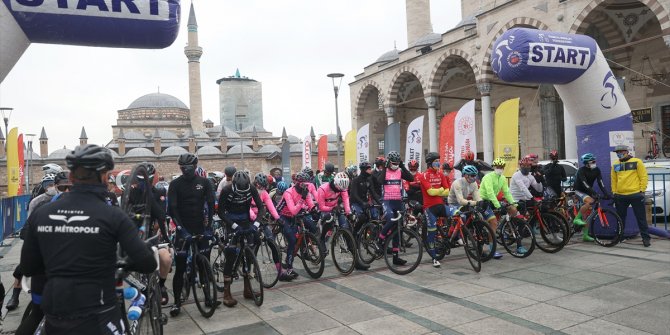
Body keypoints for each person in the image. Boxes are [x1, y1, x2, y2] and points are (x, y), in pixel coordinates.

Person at [20, 144, 156, 335]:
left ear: (72, 177)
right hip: (99, 315)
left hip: (56, 314)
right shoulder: (113, 215)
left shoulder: (42, 213)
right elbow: (147, 264)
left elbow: (28, 267)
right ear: (105, 176)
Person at [168, 153, 216, 316]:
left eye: (189, 167)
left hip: (200, 228)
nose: (186, 170)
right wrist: (181, 229)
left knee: (204, 265)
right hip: (183, 229)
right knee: (180, 268)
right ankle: (176, 303)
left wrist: (209, 227)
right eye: (183, 168)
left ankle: (208, 296)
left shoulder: (205, 182)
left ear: (195, 167)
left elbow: (210, 205)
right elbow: (172, 210)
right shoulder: (175, 184)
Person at [218, 171, 265, 306]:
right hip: (230, 221)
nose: (243, 194)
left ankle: (247, 289)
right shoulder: (226, 190)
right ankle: (226, 293)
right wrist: (232, 225)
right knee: (231, 254)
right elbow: (220, 212)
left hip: (245, 220)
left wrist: (256, 224)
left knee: (254, 243)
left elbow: (261, 208)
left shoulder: (251, 188)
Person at [127, 162, 172, 305]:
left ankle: (161, 285)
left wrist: (165, 237)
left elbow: (160, 215)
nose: (143, 183)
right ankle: (139, 288)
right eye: (141, 180)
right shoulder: (130, 192)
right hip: (133, 236)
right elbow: (124, 215)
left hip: (151, 235)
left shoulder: (158, 192)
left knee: (165, 258)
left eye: (146, 180)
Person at [448, 164, 501, 259]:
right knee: (462, 217)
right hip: (454, 204)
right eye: (472, 175)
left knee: (477, 219)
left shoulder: (474, 183)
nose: (474, 177)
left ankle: (478, 247)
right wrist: (476, 202)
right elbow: (460, 201)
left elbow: (477, 197)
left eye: (475, 175)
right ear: (466, 175)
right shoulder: (457, 183)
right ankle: (457, 235)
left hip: (466, 203)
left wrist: (481, 203)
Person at [276, 172, 318, 281]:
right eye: (304, 184)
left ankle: (304, 248)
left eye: (308, 184)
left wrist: (314, 210)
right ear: (298, 183)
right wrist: (302, 199)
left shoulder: (306, 191)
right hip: (284, 216)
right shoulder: (288, 192)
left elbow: (310, 204)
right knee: (292, 240)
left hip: (297, 214)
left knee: (312, 227)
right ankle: (289, 267)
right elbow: (293, 211)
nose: (307, 186)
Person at [376, 151, 414, 265]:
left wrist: (402, 166)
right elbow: (379, 181)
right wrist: (385, 167)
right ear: (389, 162)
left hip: (398, 201)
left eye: (397, 163)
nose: (395, 165)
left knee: (398, 228)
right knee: (391, 219)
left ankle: (395, 257)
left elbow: (411, 178)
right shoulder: (385, 171)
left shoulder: (399, 171)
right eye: (394, 163)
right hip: (387, 201)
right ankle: (380, 240)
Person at [479, 158, 523, 253]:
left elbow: (507, 192)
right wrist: (498, 206)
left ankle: (506, 227)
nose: (500, 169)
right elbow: (490, 193)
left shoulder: (502, 178)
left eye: (502, 167)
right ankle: (492, 248)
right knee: (493, 223)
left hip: (494, 200)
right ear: (494, 167)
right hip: (484, 201)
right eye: (498, 167)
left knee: (513, 210)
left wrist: (514, 203)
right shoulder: (488, 177)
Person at [611, 145, 650, 247]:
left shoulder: (637, 161)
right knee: (620, 218)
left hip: (635, 194)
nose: (618, 154)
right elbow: (613, 180)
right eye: (617, 152)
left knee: (641, 218)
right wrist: (614, 192)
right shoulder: (615, 164)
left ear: (626, 151)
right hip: (620, 195)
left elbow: (643, 176)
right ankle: (620, 236)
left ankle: (646, 238)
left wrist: (642, 190)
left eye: (620, 152)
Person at [418, 152, 451, 267]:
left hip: (440, 205)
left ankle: (451, 237)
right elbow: (430, 192)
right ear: (429, 163)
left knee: (459, 214)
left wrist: (438, 190)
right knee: (431, 232)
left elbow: (448, 191)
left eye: (438, 160)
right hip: (429, 208)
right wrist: (441, 190)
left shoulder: (441, 174)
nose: (438, 163)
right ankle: (433, 257)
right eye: (435, 161)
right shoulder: (424, 175)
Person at [572, 153, 613, 242]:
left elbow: (600, 182)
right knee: (590, 201)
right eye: (592, 161)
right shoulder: (581, 171)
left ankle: (585, 236)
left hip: (587, 191)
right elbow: (585, 184)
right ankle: (576, 219)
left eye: (595, 161)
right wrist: (594, 193)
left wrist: (606, 193)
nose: (595, 162)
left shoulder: (596, 170)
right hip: (579, 190)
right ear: (587, 163)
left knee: (587, 215)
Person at [349, 161, 381, 226]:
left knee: (375, 215)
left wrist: (381, 203)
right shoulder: (356, 180)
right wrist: (362, 203)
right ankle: (356, 233)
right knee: (362, 218)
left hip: (365, 202)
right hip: (355, 203)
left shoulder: (369, 180)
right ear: (363, 170)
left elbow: (373, 193)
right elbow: (354, 195)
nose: (371, 170)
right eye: (369, 169)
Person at [250, 173, 280, 240]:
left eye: (264, 187)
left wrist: (277, 217)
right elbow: (247, 207)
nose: (262, 189)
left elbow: (271, 206)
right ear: (256, 184)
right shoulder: (249, 191)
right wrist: (254, 218)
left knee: (270, 236)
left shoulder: (264, 192)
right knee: (252, 237)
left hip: (260, 214)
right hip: (250, 214)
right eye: (261, 187)